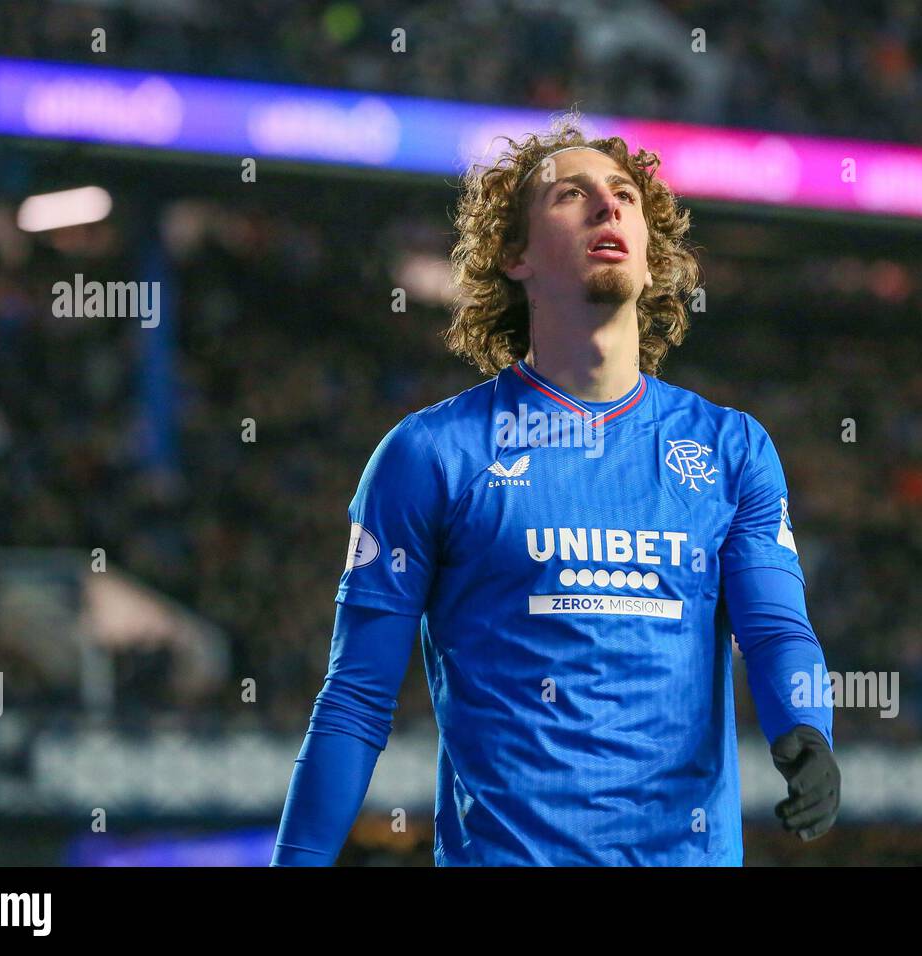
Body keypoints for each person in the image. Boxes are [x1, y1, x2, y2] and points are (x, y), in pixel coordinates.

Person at [271, 114, 839, 866]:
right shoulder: (431, 454)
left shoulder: (730, 449)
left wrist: (805, 729)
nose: (609, 208)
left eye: (626, 197)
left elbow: (773, 630)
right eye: (573, 195)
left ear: (648, 246)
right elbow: (355, 701)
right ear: (513, 255)